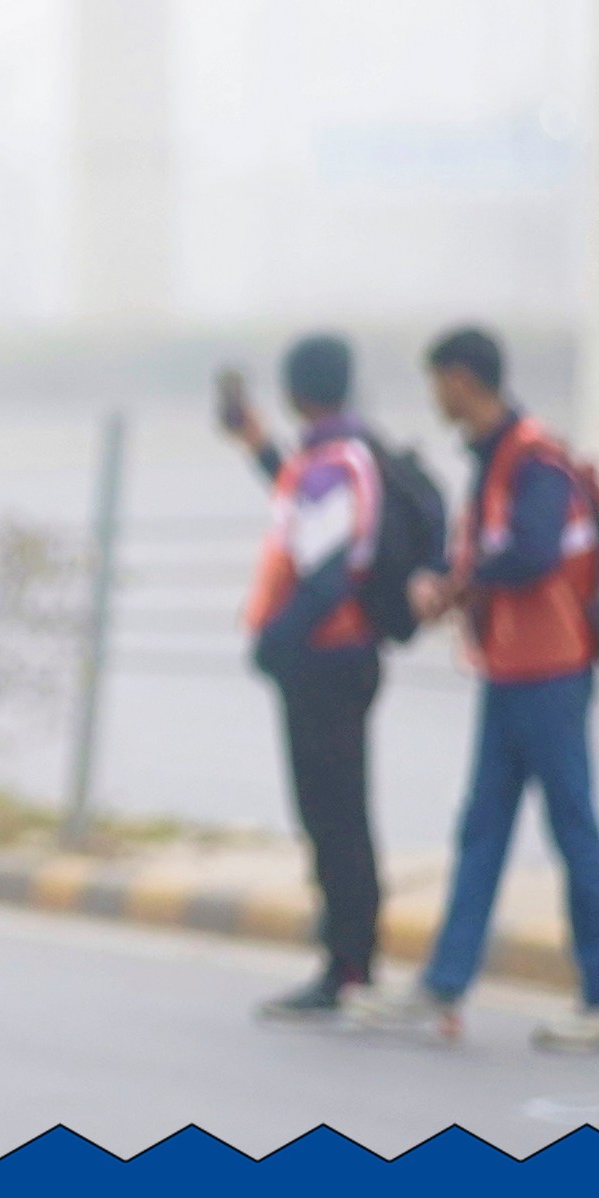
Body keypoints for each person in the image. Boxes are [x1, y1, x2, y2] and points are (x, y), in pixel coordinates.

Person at [355, 326, 599, 1051]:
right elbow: (494, 550)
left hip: (551, 671)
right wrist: (459, 579)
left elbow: (532, 553)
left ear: (460, 379)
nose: (434, 397)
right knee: (481, 830)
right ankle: (445, 984)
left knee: (574, 828)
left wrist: (456, 583)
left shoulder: (533, 459)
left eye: (436, 382)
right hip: (509, 670)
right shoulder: (495, 457)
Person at [221, 336, 401, 1021]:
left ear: (297, 392)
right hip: (339, 657)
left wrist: (275, 643)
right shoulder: (337, 456)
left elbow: (326, 573)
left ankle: (347, 965)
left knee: (332, 814)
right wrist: (257, 444)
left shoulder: (332, 464)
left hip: (327, 659)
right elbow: (304, 506)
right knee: (337, 810)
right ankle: (349, 956)